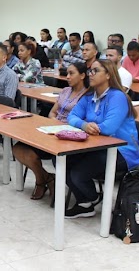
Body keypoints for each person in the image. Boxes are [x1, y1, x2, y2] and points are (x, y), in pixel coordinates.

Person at [65, 60, 139, 218]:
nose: (90, 74)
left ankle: (91, 198)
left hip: (122, 151)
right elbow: (71, 117)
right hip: (96, 145)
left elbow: (108, 128)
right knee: (62, 161)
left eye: (95, 71)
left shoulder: (118, 97)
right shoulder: (88, 96)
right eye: (90, 71)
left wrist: (88, 126)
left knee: (78, 173)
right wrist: (84, 125)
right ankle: (86, 201)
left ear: (108, 74)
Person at [12, 63, 89, 203]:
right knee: (19, 147)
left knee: (28, 149)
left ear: (83, 75)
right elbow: (52, 112)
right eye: (67, 73)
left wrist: (62, 126)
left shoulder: (87, 95)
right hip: (53, 130)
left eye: (72, 73)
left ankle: (41, 182)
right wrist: (55, 123)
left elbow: (83, 120)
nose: (67, 77)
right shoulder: (65, 90)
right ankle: (45, 178)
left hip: (69, 135)